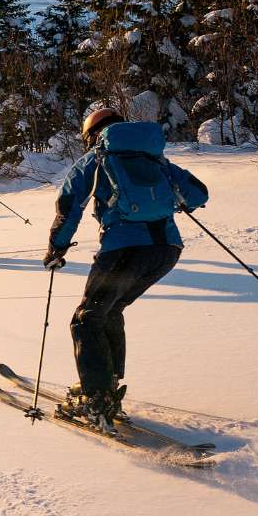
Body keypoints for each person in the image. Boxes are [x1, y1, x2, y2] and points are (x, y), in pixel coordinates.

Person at [43, 107, 209, 428]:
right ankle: (106, 384)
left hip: (124, 250)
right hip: (165, 251)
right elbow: (198, 194)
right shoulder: (157, 160)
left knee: (87, 318)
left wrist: (57, 248)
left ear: (93, 135)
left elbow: (69, 206)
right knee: (109, 310)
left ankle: (97, 400)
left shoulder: (95, 160)